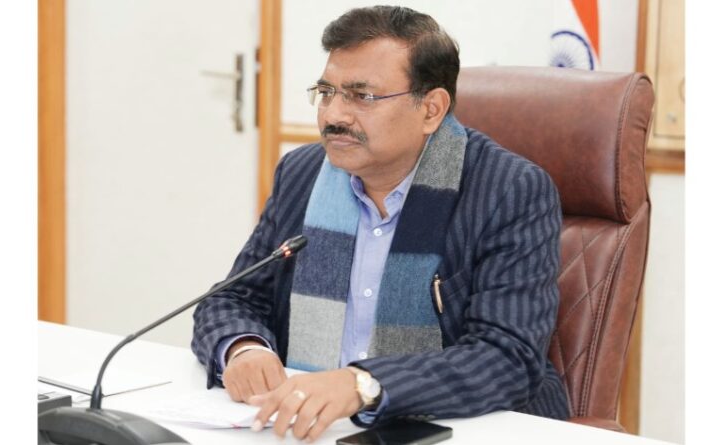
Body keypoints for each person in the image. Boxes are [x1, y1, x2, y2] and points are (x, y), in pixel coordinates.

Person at [192, 5, 569, 442]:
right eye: (326, 92)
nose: (333, 115)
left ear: (431, 109)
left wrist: (363, 384)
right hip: (310, 429)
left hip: (460, 429)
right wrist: (244, 348)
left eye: (362, 96)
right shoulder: (303, 173)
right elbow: (230, 299)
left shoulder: (508, 190)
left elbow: (506, 358)